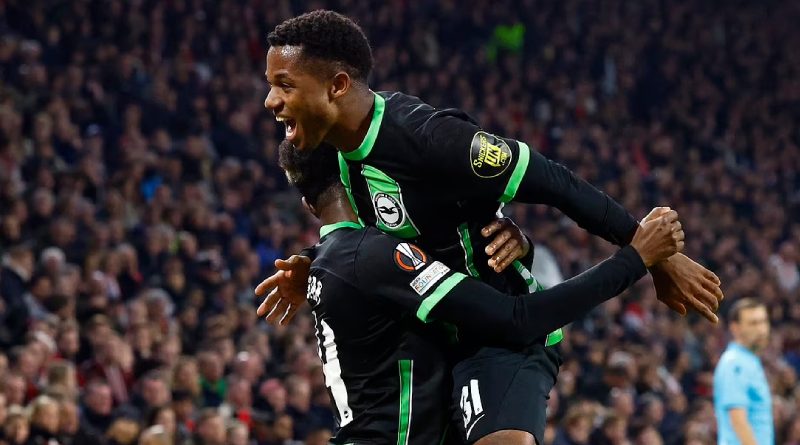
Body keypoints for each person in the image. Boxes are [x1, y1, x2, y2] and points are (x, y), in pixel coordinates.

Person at [257, 10, 722, 445]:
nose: (271, 101)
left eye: (285, 85)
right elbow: (366, 250)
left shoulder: (430, 138)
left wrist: (655, 253)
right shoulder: (335, 161)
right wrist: (314, 265)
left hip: (502, 335)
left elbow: (553, 181)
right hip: (434, 340)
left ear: (337, 85)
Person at [275, 140, 683, 444]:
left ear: (310, 205)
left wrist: (518, 244)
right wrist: (634, 259)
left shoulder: (330, 262)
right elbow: (516, 319)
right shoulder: (375, 255)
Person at [713, 298, 773, 445]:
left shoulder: (749, 360)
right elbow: (738, 422)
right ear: (735, 328)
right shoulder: (735, 363)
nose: (761, 329)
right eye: (753, 323)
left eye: (763, 321)